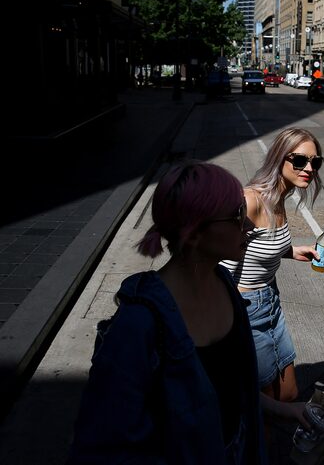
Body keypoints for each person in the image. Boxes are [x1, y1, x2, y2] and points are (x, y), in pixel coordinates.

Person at [69, 161, 299, 464]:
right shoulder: (138, 326)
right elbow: (103, 444)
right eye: (237, 216)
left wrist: (286, 410)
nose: (250, 225)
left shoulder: (227, 286)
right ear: (193, 234)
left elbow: (230, 389)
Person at [221, 128, 324, 407]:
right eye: (300, 160)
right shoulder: (250, 201)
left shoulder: (280, 197)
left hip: (271, 302)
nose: (309, 169)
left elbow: (259, 245)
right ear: (280, 158)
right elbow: (221, 267)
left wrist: (290, 251)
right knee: (265, 406)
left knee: (288, 393)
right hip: (245, 309)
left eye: (315, 162)